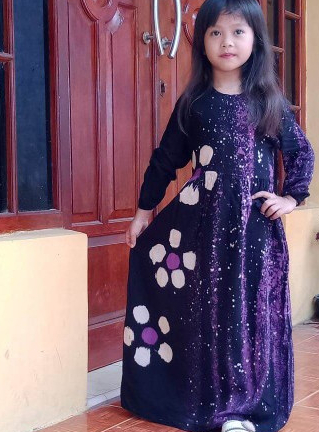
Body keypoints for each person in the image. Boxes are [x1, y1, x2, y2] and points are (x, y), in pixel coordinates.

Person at [120, 1, 315, 432]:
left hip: (255, 233)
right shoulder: (195, 103)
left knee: (249, 315)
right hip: (202, 233)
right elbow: (166, 159)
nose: (227, 42)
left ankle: (244, 408)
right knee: (211, 314)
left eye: (238, 31)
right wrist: (143, 211)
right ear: (202, 43)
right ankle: (210, 399)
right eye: (215, 33)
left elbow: (301, 152)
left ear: (255, 40)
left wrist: (291, 198)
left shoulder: (268, 102)